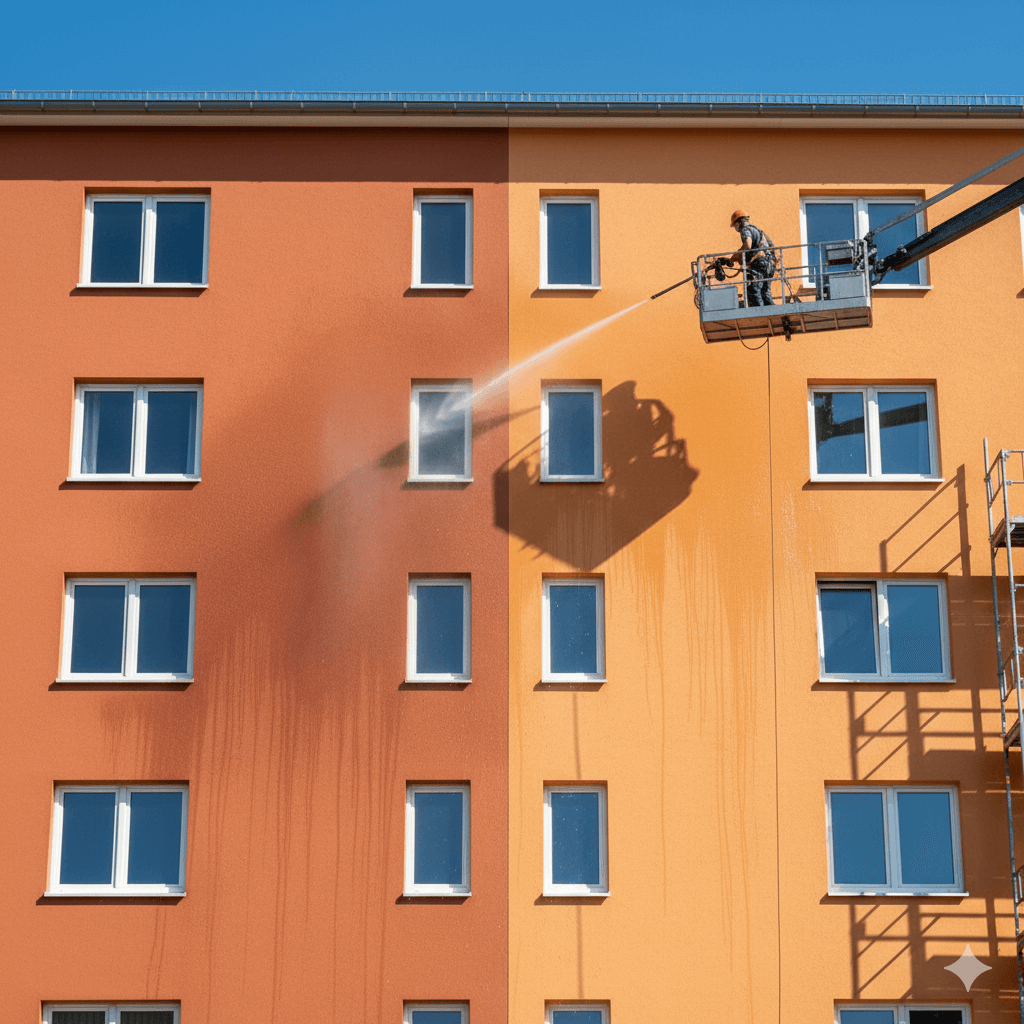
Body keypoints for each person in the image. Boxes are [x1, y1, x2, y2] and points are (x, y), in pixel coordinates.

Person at [725, 210, 776, 307]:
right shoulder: (759, 231)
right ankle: (775, 313)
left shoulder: (745, 230)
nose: (735, 228)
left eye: (735, 225)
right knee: (765, 294)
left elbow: (748, 245)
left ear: (739, 222)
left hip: (759, 264)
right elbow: (772, 246)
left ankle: (760, 314)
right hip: (769, 265)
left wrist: (736, 255)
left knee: (753, 291)